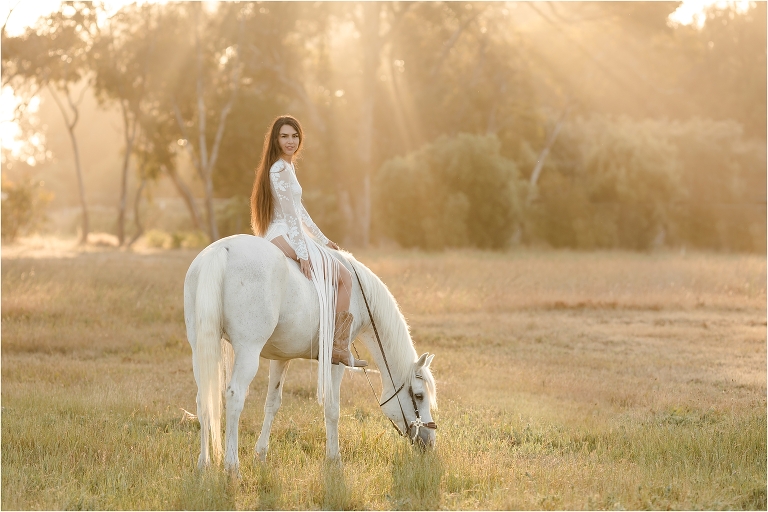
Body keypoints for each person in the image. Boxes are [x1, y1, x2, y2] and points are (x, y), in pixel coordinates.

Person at [250, 115, 367, 370]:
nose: (290, 141)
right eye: (284, 136)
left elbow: (300, 211)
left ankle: (331, 341)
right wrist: (303, 253)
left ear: (300, 139)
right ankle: (337, 348)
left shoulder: (286, 166)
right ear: (275, 139)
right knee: (345, 277)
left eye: (294, 136)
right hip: (282, 235)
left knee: (336, 272)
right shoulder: (279, 169)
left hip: (284, 233)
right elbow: (291, 217)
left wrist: (324, 240)